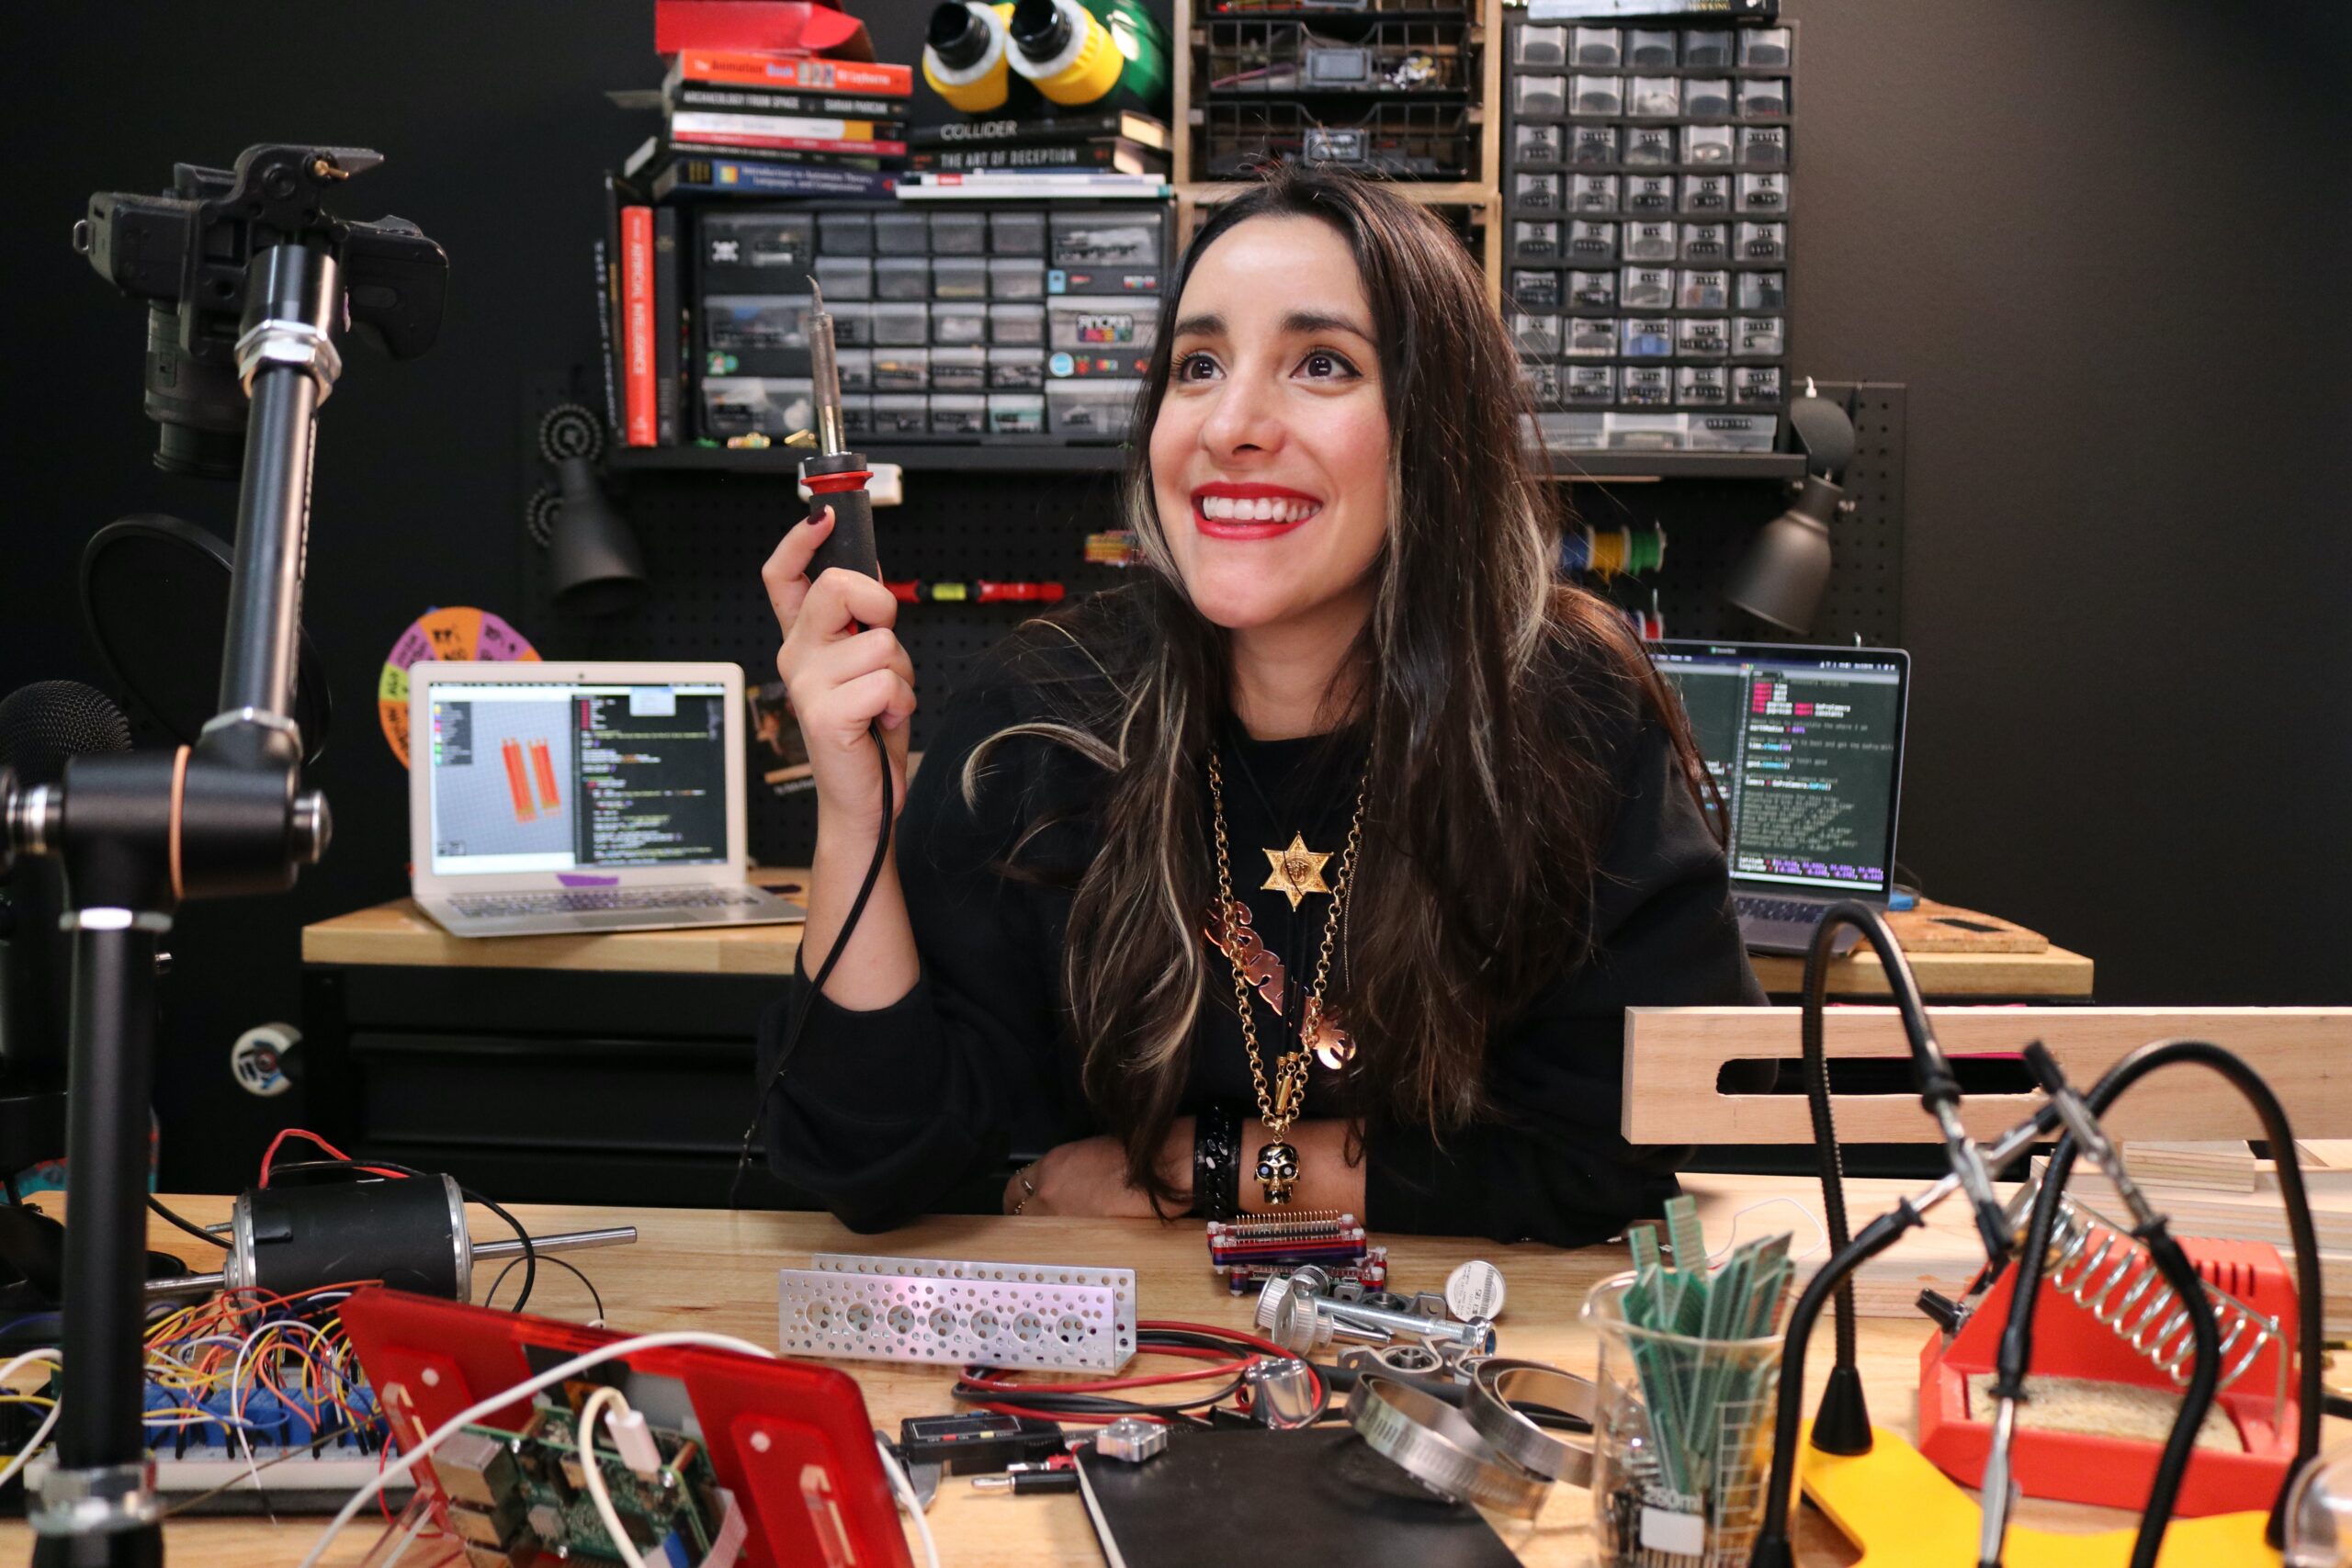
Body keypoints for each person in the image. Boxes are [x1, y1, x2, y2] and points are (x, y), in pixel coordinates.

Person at [754, 166, 1763, 1246]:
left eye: (1322, 363)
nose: (1230, 424)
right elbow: (874, 1163)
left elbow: (1625, 1146)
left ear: (1437, 430)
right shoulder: (1043, 714)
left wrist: (1206, 1168)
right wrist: (857, 813)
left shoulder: (1567, 707)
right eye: (1197, 366)